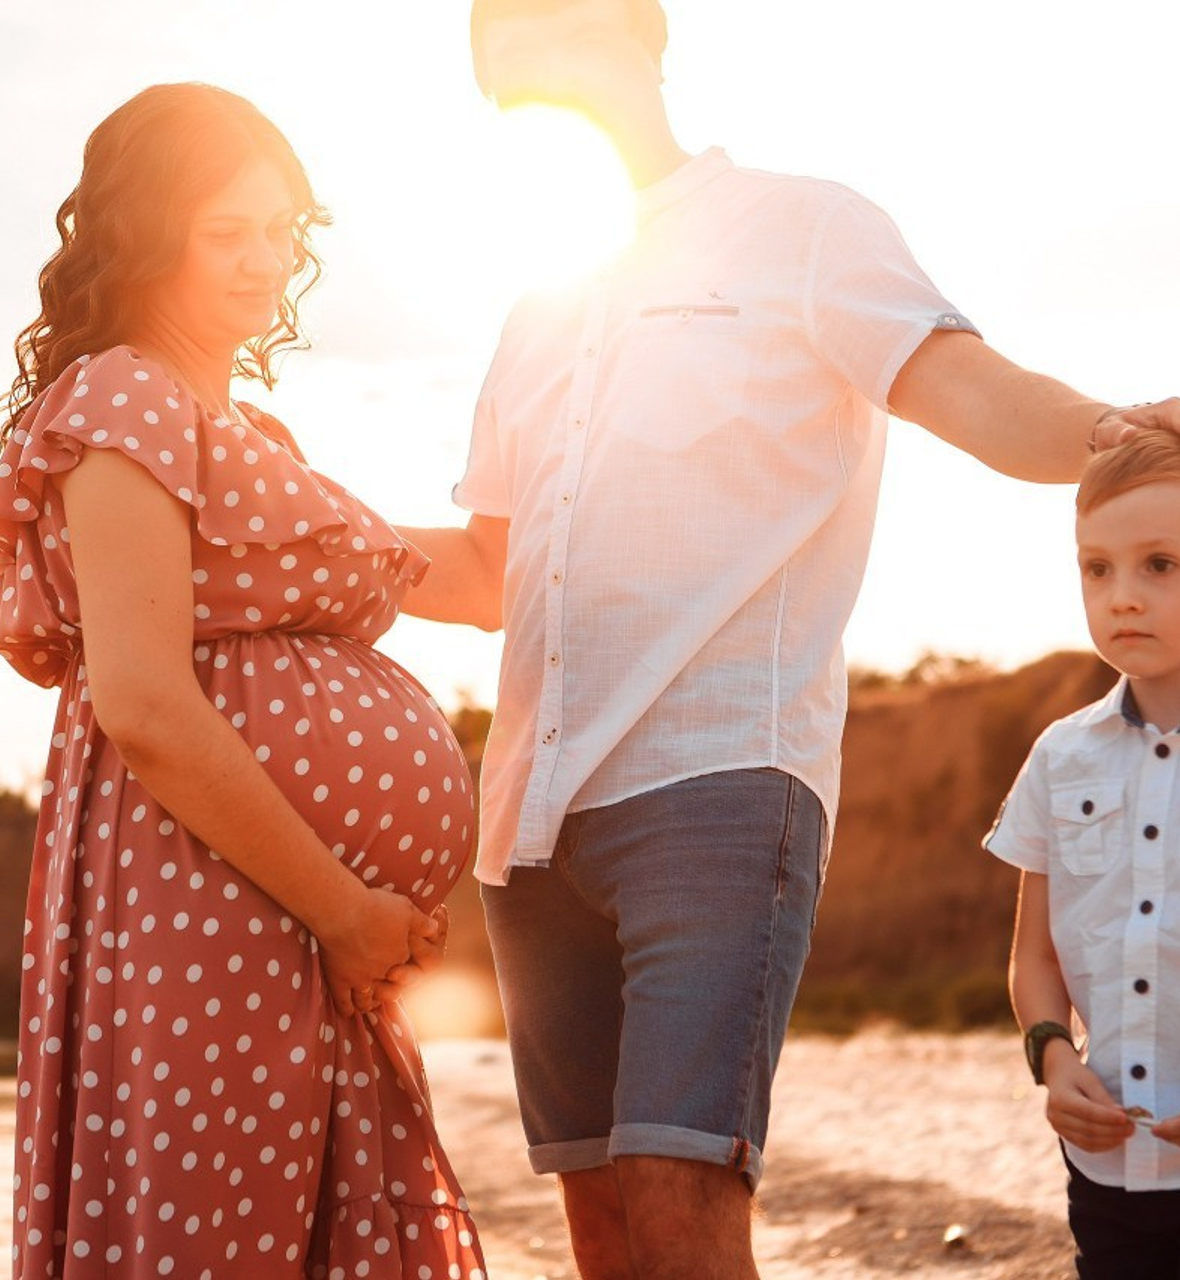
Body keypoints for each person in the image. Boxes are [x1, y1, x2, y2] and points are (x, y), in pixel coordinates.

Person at [394, 2, 1180, 1276]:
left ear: (638, 40)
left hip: (717, 780)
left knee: (677, 1186)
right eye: (505, 91)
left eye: (550, 57)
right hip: (524, 823)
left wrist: (1117, 429)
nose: (533, 104)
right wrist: (282, 542)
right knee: (598, 1223)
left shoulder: (804, 229)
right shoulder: (530, 314)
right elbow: (486, 570)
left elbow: (978, 397)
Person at [0, 83, 486, 1279]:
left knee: (300, 1222)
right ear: (147, 234)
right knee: (219, 1230)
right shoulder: (124, 400)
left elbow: (471, 573)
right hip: (208, 899)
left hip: (276, 907)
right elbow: (143, 702)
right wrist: (345, 908)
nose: (267, 263)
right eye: (229, 233)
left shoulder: (248, 432)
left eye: (283, 233)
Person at [985, 429, 1180, 1278]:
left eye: (1161, 565)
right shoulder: (1061, 756)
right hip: (1108, 1163)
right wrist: (1051, 1055)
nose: (1122, 598)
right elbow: (1033, 956)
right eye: (1096, 569)